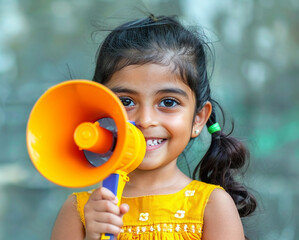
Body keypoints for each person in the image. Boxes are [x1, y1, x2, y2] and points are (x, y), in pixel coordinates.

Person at [50, 15, 257, 240]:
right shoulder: (79, 211)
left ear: (198, 119)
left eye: (168, 102)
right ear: (99, 110)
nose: (146, 120)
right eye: (125, 102)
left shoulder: (213, 206)